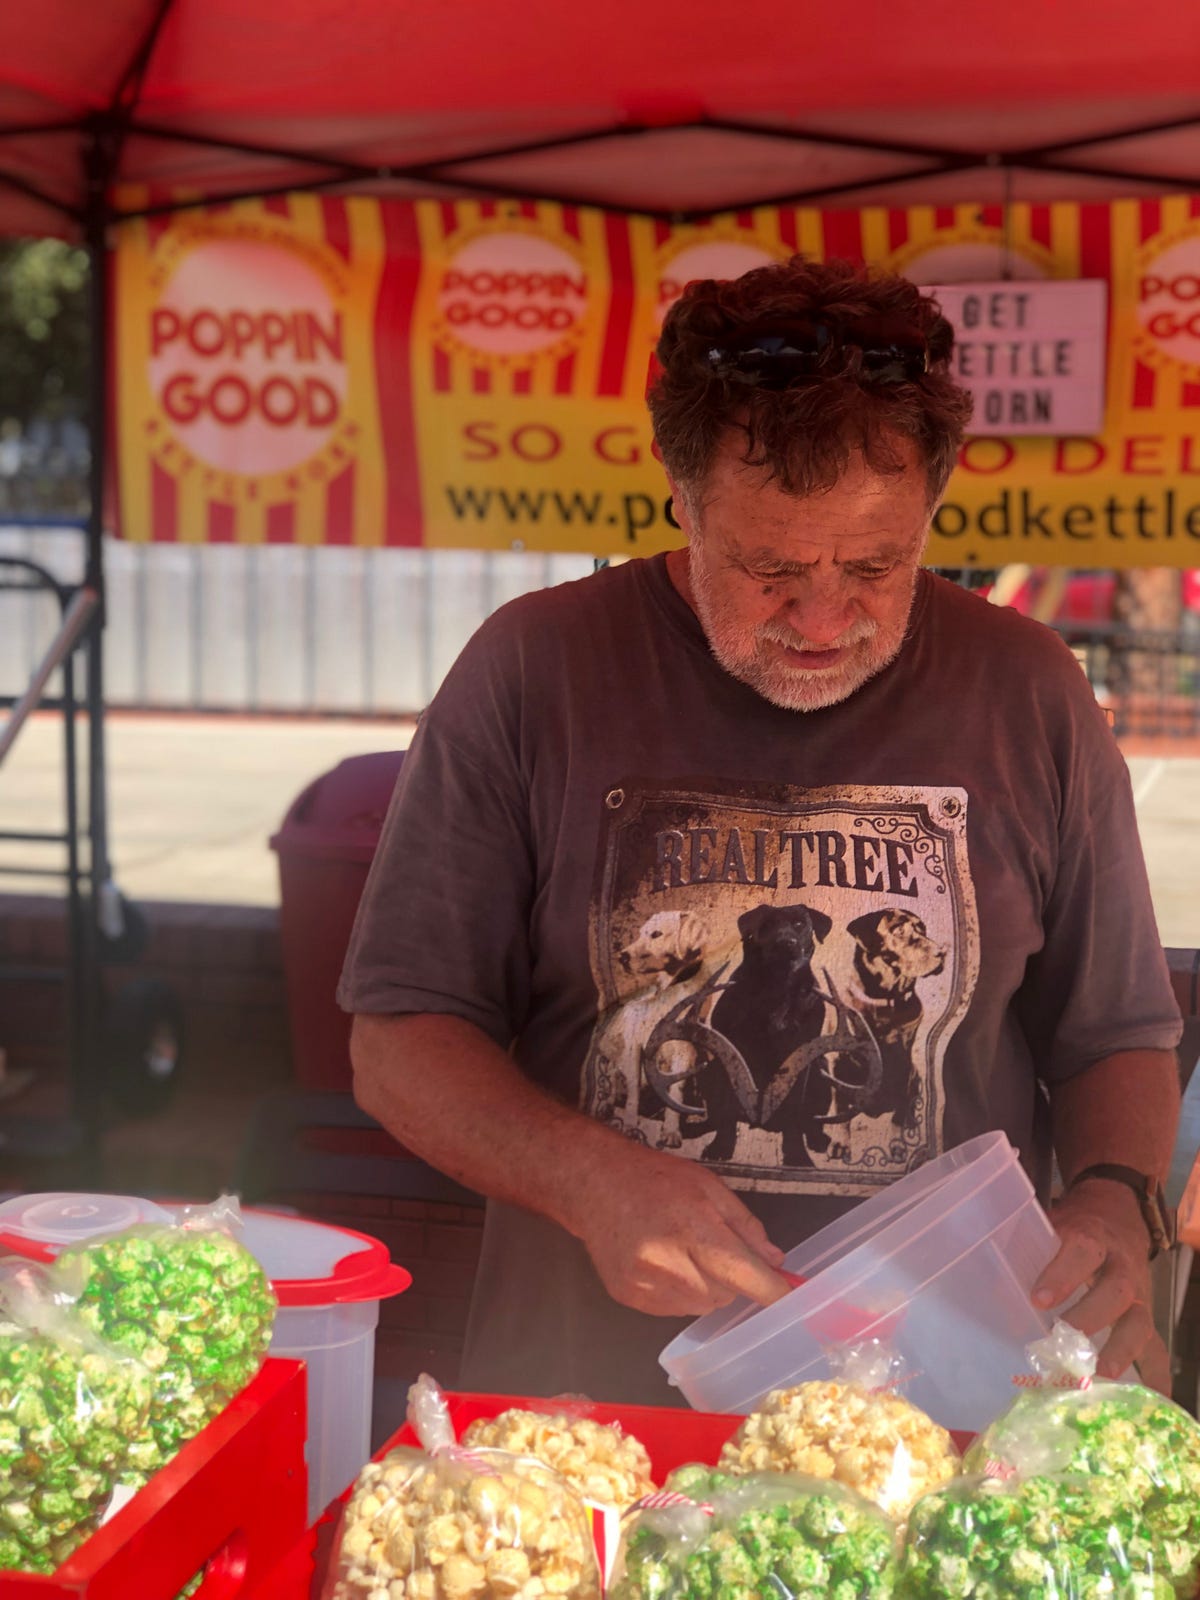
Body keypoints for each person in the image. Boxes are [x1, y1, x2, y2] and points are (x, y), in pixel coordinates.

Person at [339, 257, 1182, 1404]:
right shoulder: (533, 671)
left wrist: (1116, 1198)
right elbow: (398, 1042)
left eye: (877, 564)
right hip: (595, 1408)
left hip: (939, 1411)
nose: (826, 617)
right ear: (680, 494)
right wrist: (590, 1178)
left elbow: (1114, 1034)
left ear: (937, 503)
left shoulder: (1030, 691)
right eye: (769, 568)